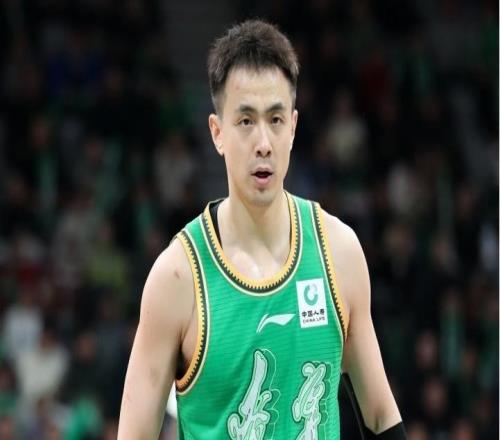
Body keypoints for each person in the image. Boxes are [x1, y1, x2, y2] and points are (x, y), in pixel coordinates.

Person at [118, 19, 406, 439]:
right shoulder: (176, 278)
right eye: (246, 121)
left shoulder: (339, 251)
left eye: (275, 119)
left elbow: (380, 415)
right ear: (217, 133)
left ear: (293, 127)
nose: (264, 143)